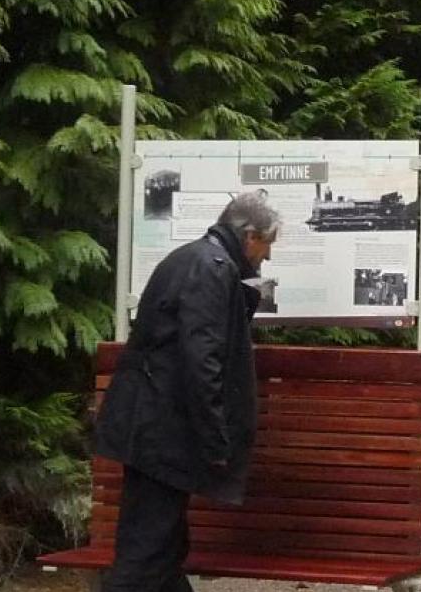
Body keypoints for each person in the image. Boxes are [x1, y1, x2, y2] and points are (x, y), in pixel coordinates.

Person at [94, 192, 280, 591]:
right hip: (162, 429)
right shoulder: (211, 269)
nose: (268, 255)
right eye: (268, 243)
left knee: (164, 544)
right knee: (148, 550)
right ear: (250, 236)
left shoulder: (195, 259)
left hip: (151, 422)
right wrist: (215, 440)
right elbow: (203, 360)